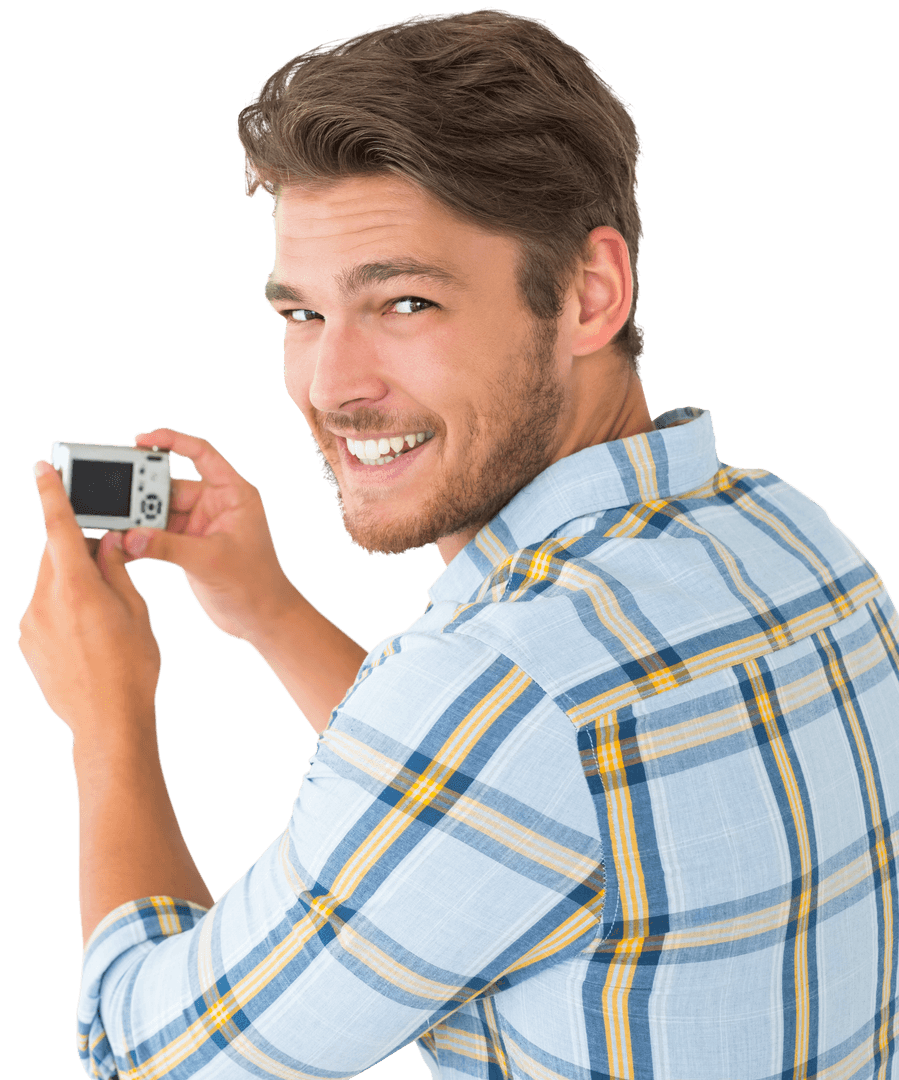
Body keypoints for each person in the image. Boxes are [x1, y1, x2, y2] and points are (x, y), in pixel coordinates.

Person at [18, 9, 897, 1079]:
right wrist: (269, 611)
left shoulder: (505, 689)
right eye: (300, 315)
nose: (332, 386)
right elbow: (493, 818)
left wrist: (104, 715)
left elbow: (145, 1056)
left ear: (589, 294)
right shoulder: (799, 537)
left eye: (403, 300)